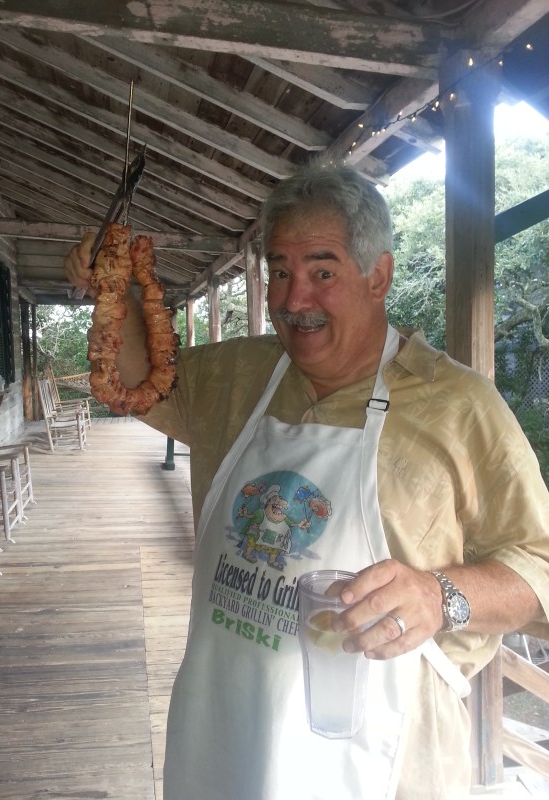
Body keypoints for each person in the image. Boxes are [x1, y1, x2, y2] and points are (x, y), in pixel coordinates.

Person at [65, 160, 549, 799]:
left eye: (323, 271)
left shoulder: (459, 405)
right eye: (281, 273)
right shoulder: (236, 376)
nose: (295, 300)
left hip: (385, 763)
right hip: (227, 741)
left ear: (379, 276)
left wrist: (441, 595)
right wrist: (115, 291)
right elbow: (133, 379)